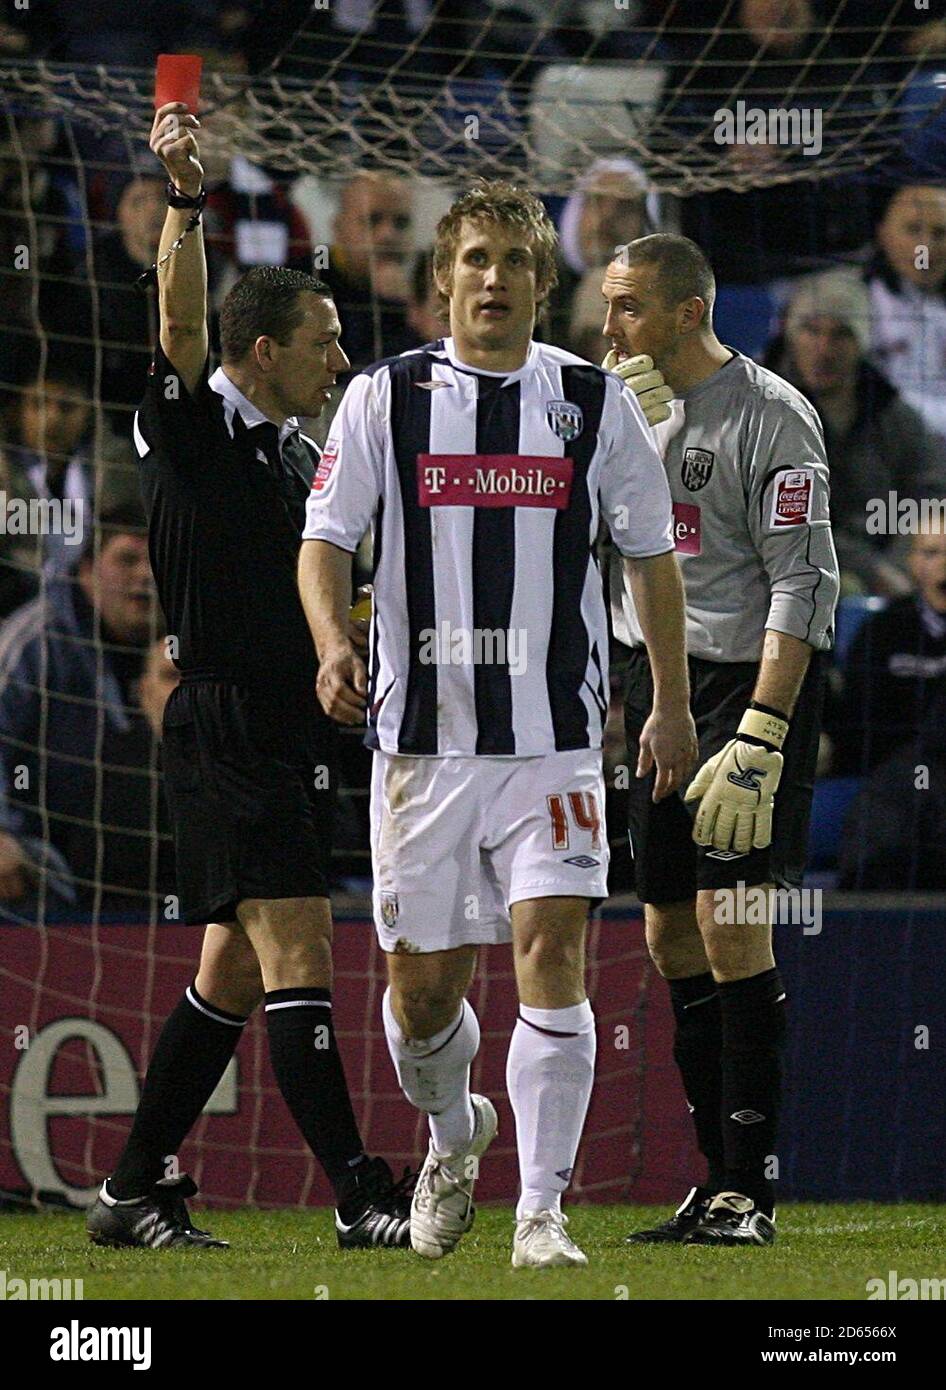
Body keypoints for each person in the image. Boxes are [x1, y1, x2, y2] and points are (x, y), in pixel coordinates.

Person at [298, 180, 696, 1268]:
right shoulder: (384, 399)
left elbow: (651, 555)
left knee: (549, 949)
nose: (492, 277)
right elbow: (326, 538)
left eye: (514, 261)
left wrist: (666, 700)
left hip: (551, 741)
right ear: (442, 281)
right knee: (420, 999)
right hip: (419, 745)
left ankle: (541, 1213)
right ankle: (450, 1131)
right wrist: (335, 643)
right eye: (473, 258)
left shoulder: (592, 401)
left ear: (538, 281)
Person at [85, 102, 413, 1253]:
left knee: (227, 973)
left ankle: (131, 1186)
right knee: (300, 952)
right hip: (219, 722)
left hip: (281, 724)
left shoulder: (291, 456)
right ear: (262, 348)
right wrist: (184, 198)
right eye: (325, 338)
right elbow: (180, 318)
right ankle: (363, 1188)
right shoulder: (185, 424)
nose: (342, 357)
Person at [602, 233, 839, 1245]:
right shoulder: (611, 409)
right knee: (666, 931)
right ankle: (713, 1176)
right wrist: (609, 447)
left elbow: (805, 578)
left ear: (688, 312)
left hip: (747, 687)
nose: (607, 326)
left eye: (626, 308)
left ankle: (750, 1187)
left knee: (732, 919)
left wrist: (763, 730)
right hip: (652, 683)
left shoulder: (774, 415)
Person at [0, 499, 172, 919]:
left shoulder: (190, 642)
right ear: (86, 570)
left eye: (155, 562)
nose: (144, 577)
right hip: (46, 853)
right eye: (127, 560)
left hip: (153, 851)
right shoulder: (31, 644)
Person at [766, 268, 946, 596]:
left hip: (891, 573)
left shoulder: (891, 413)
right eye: (811, 330)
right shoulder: (763, 409)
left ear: (862, 342)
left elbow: (929, 496)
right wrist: (870, 569)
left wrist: (905, 562)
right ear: (790, 335)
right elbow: (779, 519)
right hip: (786, 575)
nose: (825, 348)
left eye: (841, 334)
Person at [829, 524, 946, 890]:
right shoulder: (882, 630)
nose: (944, 566)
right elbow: (856, 721)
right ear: (911, 562)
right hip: (894, 771)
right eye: (931, 553)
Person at [866, 184, 946, 444]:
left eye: (940, 233)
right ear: (883, 234)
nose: (925, 247)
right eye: (913, 230)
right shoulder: (854, 302)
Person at [324, 172, 418, 374]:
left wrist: (407, 310)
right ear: (339, 227)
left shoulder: (420, 291)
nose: (388, 235)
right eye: (372, 220)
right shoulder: (306, 281)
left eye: (401, 223)